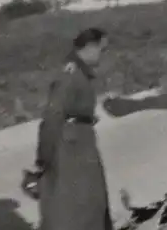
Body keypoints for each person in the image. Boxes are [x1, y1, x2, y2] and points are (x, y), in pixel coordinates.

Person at [31, 27, 113, 230]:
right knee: (76, 209)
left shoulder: (80, 73)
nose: (102, 56)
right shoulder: (70, 74)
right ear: (90, 47)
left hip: (79, 143)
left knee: (89, 205)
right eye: (102, 50)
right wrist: (44, 157)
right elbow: (52, 116)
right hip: (70, 148)